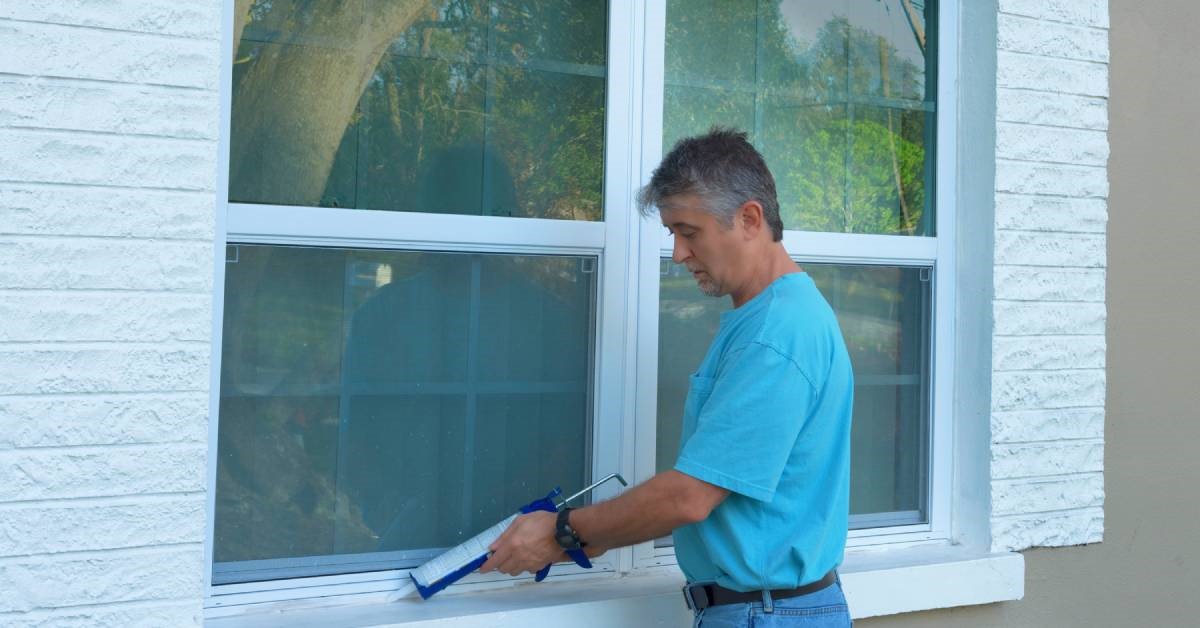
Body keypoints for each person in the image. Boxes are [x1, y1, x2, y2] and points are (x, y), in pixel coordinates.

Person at [481, 127, 854, 627]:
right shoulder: (768, 319)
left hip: (769, 616)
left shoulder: (777, 335)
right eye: (672, 234)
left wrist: (560, 532)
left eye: (689, 232)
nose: (678, 253)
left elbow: (690, 496)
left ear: (749, 218)